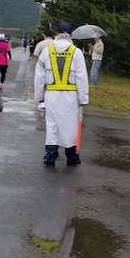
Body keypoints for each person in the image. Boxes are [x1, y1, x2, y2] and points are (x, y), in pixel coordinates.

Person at [34, 21, 89, 166]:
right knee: (70, 125)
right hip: (71, 96)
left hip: (51, 95)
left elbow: (39, 77)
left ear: (56, 33)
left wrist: (39, 96)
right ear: (71, 34)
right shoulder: (76, 52)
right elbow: (81, 77)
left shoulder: (47, 51)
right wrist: (83, 98)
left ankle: (50, 155)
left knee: (52, 125)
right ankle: (71, 156)